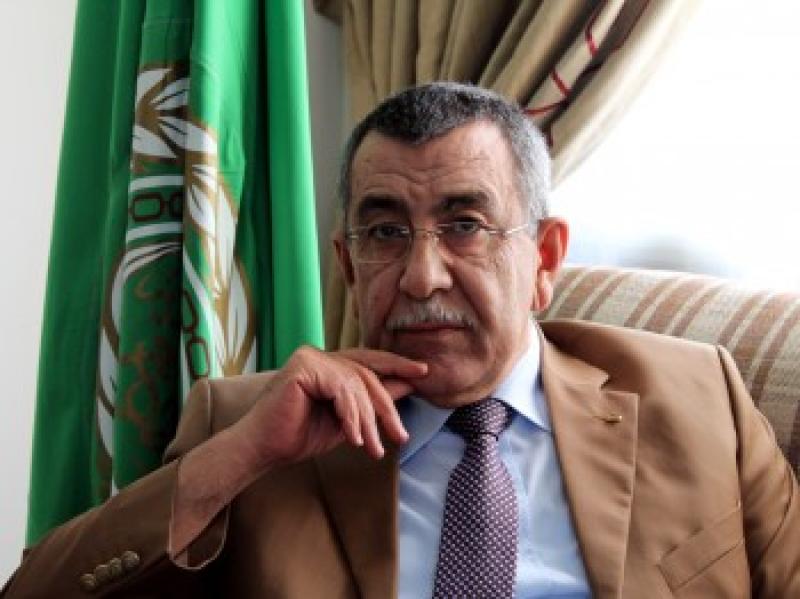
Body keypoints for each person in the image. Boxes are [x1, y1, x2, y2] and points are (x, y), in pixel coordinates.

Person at [3, 82, 798, 598]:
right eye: (385, 231)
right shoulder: (249, 429)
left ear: (545, 259)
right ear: (348, 264)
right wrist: (236, 459)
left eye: (465, 224)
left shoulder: (702, 401)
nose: (422, 276)